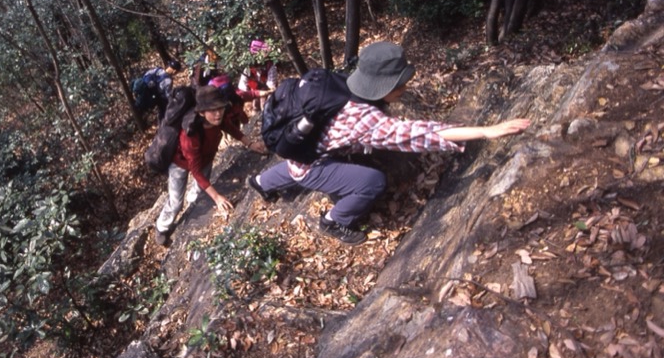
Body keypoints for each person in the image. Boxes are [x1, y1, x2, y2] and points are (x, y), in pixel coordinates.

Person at [248, 41, 531, 246]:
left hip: (300, 153)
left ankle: (261, 182)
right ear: (382, 87)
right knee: (372, 181)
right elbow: (419, 134)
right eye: (401, 84)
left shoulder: (342, 84)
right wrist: (486, 131)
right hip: (312, 164)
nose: (406, 88)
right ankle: (334, 221)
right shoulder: (366, 120)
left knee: (300, 165)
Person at [154, 85, 268, 246]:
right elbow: (195, 171)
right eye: (213, 110)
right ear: (201, 113)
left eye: (220, 108)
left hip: (206, 159)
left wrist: (249, 143)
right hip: (180, 163)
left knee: (200, 192)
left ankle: (193, 205)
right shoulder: (190, 135)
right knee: (175, 202)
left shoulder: (217, 120)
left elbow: (230, 128)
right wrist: (217, 197)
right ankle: (162, 227)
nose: (218, 113)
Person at [238, 40, 278, 112]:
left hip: (267, 91)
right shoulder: (248, 68)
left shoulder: (270, 67)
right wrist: (248, 98)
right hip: (253, 92)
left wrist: (266, 94)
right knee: (254, 106)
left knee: (266, 105)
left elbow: (271, 85)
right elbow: (242, 86)